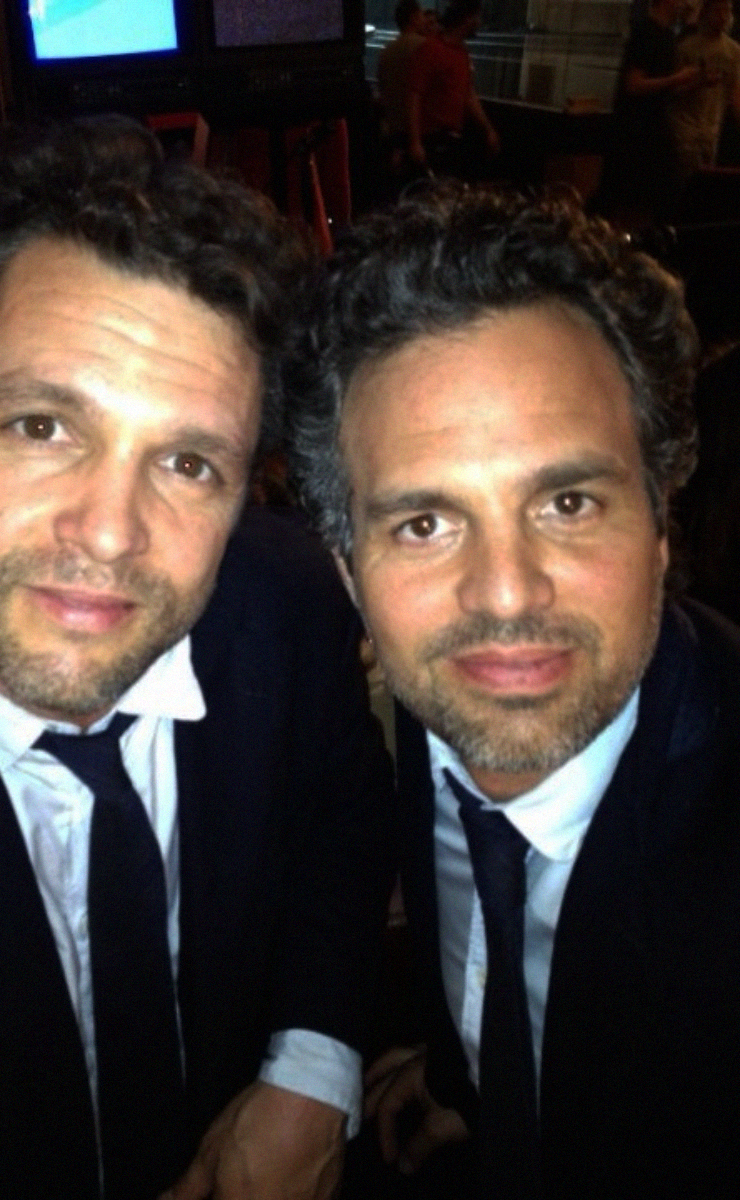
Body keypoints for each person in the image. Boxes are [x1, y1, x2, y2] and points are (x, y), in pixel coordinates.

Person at [0, 118, 394, 1200]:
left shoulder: (286, 603)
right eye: (42, 426)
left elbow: (340, 820)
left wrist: (314, 1069)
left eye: (188, 461)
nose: (108, 532)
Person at [287, 185, 740, 1199]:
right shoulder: (425, 697)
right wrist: (477, 1075)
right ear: (351, 568)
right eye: (424, 525)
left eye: (567, 502)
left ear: (663, 517)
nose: (504, 596)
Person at [601, 0, 704, 225]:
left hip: (650, 127)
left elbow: (662, 86)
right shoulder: (645, 32)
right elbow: (634, 84)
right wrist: (678, 78)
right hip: (636, 131)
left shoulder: (667, 36)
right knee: (633, 200)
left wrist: (693, 83)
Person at [407, 0, 499, 179]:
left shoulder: (461, 53)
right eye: (477, 17)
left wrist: (487, 128)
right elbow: (414, 96)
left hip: (450, 138)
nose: (479, 22)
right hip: (431, 139)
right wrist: (415, 141)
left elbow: (468, 94)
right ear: (467, 19)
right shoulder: (430, 50)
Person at [672, 0, 740, 179]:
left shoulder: (733, 51)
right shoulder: (687, 47)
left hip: (712, 129)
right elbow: (673, 90)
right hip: (686, 128)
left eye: (727, 11)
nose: (723, 17)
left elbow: (735, 94)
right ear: (706, 13)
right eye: (718, 11)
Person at [377, 0, 429, 152]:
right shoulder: (426, 47)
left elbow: (382, 87)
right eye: (421, 15)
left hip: (394, 126)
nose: (424, 20)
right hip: (420, 129)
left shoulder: (386, 51)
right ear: (413, 18)